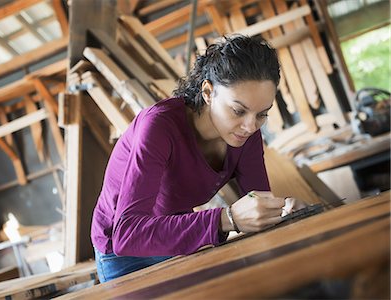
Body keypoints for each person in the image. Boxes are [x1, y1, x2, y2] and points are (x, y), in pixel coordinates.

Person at [91, 34, 304, 283]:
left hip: (177, 236)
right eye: (238, 110)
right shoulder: (159, 127)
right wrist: (227, 219)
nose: (250, 126)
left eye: (262, 114)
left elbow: (259, 200)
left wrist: (281, 210)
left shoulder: (247, 133)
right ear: (208, 92)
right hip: (122, 253)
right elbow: (128, 235)